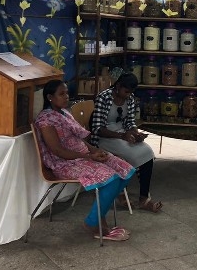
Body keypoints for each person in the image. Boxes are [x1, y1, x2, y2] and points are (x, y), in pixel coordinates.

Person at [35, 80, 134, 241]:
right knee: (112, 178)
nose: (66, 97)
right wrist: (88, 157)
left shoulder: (64, 112)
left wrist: (96, 151)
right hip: (64, 163)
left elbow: (78, 140)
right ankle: (93, 223)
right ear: (50, 97)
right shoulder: (45, 120)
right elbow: (58, 151)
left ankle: (99, 216)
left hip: (83, 155)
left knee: (125, 170)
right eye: (62, 94)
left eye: (67, 93)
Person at [91, 72, 163, 213]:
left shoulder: (129, 99)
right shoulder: (103, 97)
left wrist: (136, 133)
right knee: (135, 154)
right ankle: (121, 193)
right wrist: (122, 136)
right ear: (118, 86)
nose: (128, 95)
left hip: (122, 134)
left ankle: (144, 198)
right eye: (126, 91)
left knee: (147, 152)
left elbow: (130, 121)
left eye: (130, 92)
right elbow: (97, 129)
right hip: (105, 138)